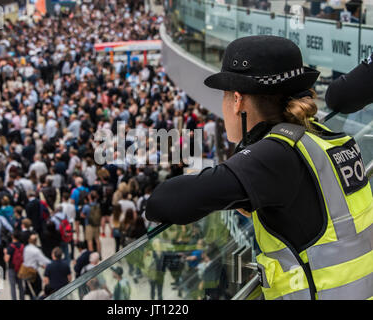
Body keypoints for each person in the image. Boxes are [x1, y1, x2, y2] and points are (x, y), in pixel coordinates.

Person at [146, 35, 373, 300]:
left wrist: (237, 185)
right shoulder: (321, 137)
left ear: (238, 100)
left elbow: (162, 202)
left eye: (224, 95)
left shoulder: (274, 155)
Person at [22, 234, 50, 299]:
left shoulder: (26, 248)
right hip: (33, 272)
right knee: (37, 288)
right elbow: (44, 260)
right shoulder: (36, 251)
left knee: (31, 290)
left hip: (25, 271)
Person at [4, 231, 25, 300]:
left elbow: (7, 259)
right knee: (20, 285)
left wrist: (5, 253)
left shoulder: (11, 247)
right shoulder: (22, 245)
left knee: (13, 287)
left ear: (13, 237)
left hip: (12, 268)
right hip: (20, 267)